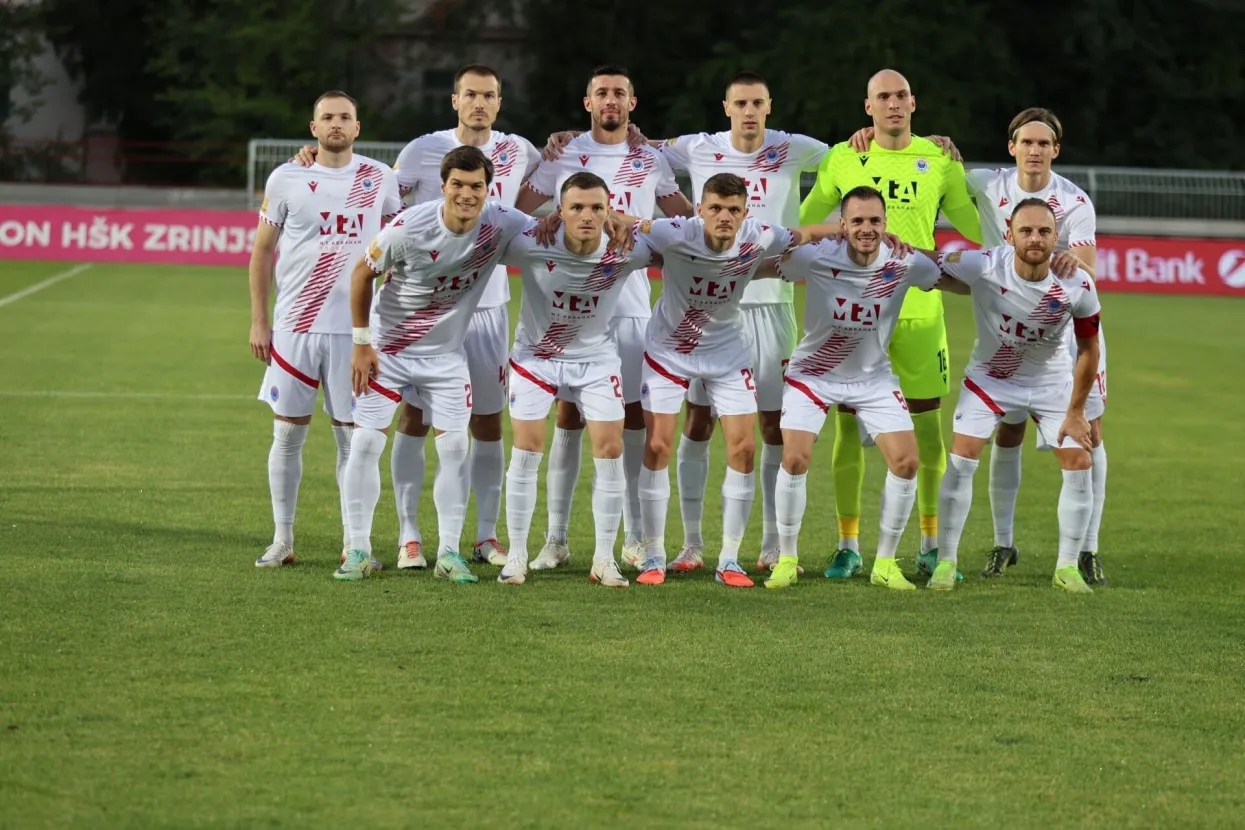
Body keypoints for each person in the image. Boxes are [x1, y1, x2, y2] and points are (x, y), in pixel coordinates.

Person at [296, 65, 539, 571]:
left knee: (484, 424)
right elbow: (376, 196)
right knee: (404, 421)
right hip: (407, 322)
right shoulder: (420, 154)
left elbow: (553, 208)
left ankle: (483, 537)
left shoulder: (520, 152)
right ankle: (407, 537)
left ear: (500, 101)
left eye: (489, 95)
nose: (479, 102)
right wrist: (316, 158)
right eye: (470, 94)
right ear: (455, 99)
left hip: (484, 307)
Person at [801, 69, 982, 582]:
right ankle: (848, 546)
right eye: (883, 97)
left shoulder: (940, 159)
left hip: (919, 314)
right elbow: (805, 218)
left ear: (913, 102)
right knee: (847, 429)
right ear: (869, 107)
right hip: (853, 318)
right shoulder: (844, 156)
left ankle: (930, 544)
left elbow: (978, 226)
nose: (893, 103)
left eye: (901, 95)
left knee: (927, 433)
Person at [515, 64, 693, 571]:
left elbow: (686, 223)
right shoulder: (562, 154)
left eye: (619, 93)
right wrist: (550, 218)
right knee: (567, 417)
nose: (610, 100)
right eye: (601, 93)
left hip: (631, 308)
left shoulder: (650, 158)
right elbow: (518, 213)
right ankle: (555, 539)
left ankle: (633, 537)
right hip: (570, 307)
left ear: (632, 103)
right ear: (587, 102)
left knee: (629, 421)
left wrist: (638, 223)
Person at [334, 146, 532, 582]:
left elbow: (554, 230)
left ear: (489, 189)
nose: (466, 194)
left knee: (455, 448)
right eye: (457, 184)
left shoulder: (502, 222)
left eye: (476, 186)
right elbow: (361, 274)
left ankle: (448, 553)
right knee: (365, 444)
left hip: (445, 357)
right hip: (389, 351)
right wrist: (362, 344)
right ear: (443, 186)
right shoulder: (409, 226)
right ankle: (358, 549)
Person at [630, 173, 838, 587]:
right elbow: (624, 223)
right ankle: (654, 554)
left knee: (743, 448)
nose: (724, 216)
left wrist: (848, 228)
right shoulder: (673, 232)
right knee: (658, 445)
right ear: (699, 210)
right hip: (670, 352)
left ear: (745, 213)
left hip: (727, 354)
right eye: (715, 208)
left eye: (733, 210)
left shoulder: (760, 235)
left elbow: (805, 234)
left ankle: (729, 560)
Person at [757, 186, 943, 590]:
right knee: (795, 458)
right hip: (814, 375)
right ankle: (786, 559)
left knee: (907, 463)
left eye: (874, 221)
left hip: (873, 378)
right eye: (857, 221)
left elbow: (949, 273)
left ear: (886, 224)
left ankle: (885, 563)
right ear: (843, 225)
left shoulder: (904, 260)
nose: (866, 228)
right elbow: (766, 267)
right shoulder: (818, 255)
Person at [249, 90, 400, 570]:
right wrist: (259, 320)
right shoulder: (286, 177)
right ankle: (282, 539)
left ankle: (355, 543)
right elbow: (261, 252)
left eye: (345, 117)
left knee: (352, 440)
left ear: (357, 127)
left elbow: (397, 249)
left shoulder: (380, 178)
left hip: (355, 333)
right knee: (286, 435)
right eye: (328, 117)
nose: (337, 124)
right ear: (313, 128)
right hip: (295, 327)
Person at [926, 198, 1102, 593]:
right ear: (1009, 235)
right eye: (1026, 231)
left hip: (1050, 384)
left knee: (1079, 461)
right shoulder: (984, 263)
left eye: (1044, 231)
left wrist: (1077, 411)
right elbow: (928, 262)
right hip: (991, 379)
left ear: (1056, 238)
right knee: (961, 459)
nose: (1035, 238)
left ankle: (1067, 568)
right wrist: (890, 247)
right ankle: (946, 561)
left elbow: (1090, 350)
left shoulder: (1077, 282)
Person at [965, 108, 1108, 585]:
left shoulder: (1074, 200)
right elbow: (931, 176)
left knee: (1088, 431)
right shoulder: (986, 183)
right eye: (1026, 141)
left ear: (1055, 150)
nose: (1034, 150)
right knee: (1007, 431)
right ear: (1012, 147)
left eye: (1044, 143)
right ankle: (1003, 543)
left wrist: (1067, 264)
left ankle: (1087, 549)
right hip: (1008, 322)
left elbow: (1087, 270)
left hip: (1067, 324)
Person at [497, 172, 654, 587]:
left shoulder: (626, 249)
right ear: (559, 211)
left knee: (610, 449)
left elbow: (685, 239)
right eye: (577, 207)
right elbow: (482, 233)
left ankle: (604, 559)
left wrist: (629, 222)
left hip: (596, 360)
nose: (587, 216)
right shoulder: (530, 242)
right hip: (536, 358)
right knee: (527, 449)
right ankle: (517, 555)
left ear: (609, 211)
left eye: (597, 208)